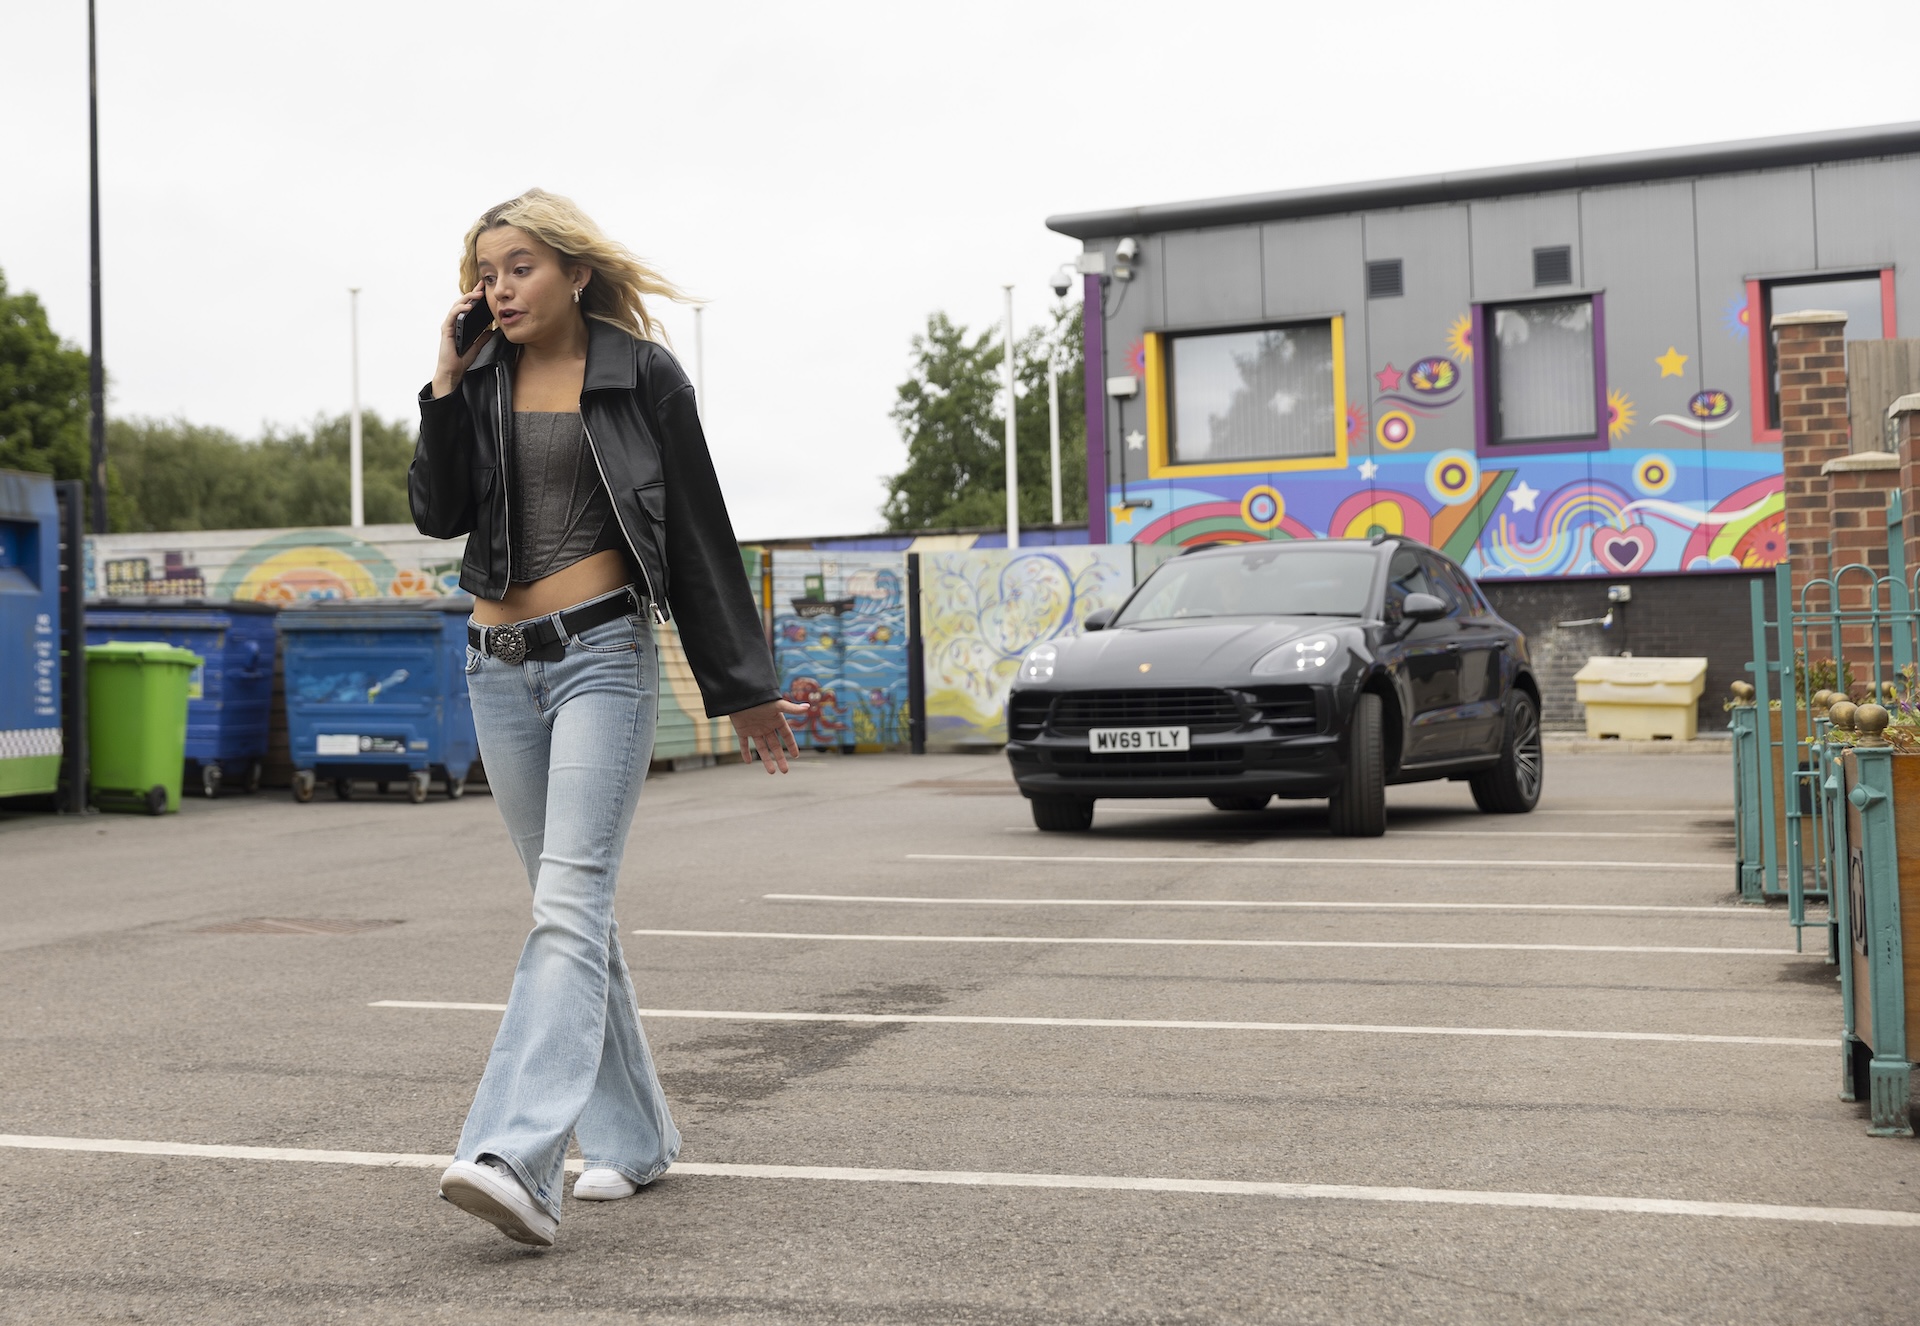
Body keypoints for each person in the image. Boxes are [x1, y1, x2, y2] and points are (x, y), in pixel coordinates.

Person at [409, 189, 803, 1248]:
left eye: (521, 265)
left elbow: (701, 534)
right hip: (497, 670)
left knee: (568, 905)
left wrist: (745, 687)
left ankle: (512, 1154)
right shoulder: (480, 377)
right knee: (568, 910)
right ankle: (635, 1140)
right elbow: (437, 514)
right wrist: (444, 387)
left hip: (600, 657)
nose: (500, 286)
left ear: (575, 273)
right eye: (487, 270)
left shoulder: (641, 376)